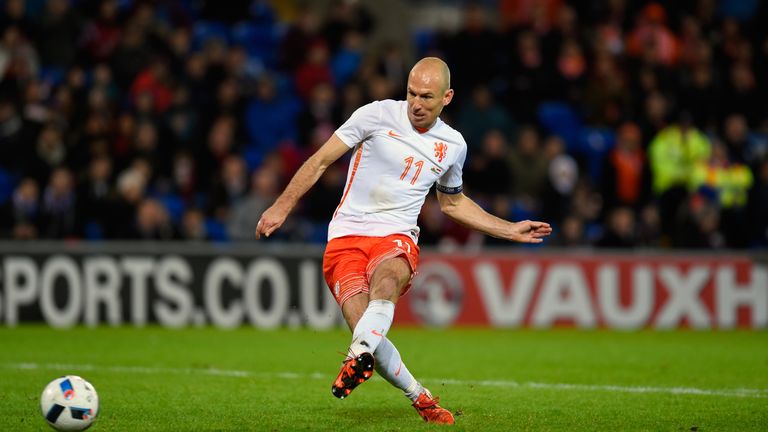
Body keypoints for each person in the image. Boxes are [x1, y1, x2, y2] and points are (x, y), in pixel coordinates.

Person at [255, 57, 552, 425]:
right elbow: (319, 161)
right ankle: (419, 396)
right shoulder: (375, 115)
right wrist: (282, 207)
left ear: (447, 97)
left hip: (396, 235)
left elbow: (453, 202)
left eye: (427, 96)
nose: (416, 103)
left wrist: (509, 229)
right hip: (345, 237)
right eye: (411, 93)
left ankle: (356, 353)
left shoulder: (453, 145)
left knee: (388, 281)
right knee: (368, 331)